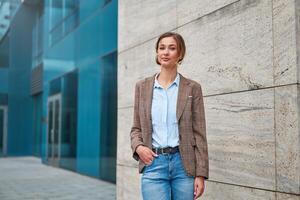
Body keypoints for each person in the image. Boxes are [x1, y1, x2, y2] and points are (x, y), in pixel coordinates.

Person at [130, 32, 209, 200]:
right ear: (157, 53)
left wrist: (200, 174)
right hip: (154, 163)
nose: (165, 52)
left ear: (180, 54)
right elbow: (136, 128)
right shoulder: (142, 87)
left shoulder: (192, 88)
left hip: (184, 165)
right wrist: (139, 147)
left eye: (172, 48)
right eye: (162, 48)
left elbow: (199, 133)